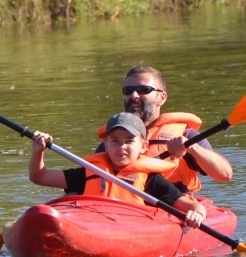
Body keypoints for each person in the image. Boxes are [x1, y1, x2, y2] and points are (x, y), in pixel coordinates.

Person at [32, 111, 208, 227]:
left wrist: (197, 215)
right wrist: (38, 151)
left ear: (143, 146)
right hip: (92, 226)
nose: (121, 147)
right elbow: (39, 176)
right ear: (106, 145)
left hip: (128, 229)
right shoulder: (89, 172)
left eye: (129, 141)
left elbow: (193, 206)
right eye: (115, 141)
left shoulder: (151, 180)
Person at [100, 65, 233, 189]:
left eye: (144, 90)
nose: (134, 95)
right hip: (125, 206)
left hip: (172, 205)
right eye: (128, 91)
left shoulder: (187, 135)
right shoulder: (111, 142)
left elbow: (225, 175)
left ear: (161, 98)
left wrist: (192, 148)